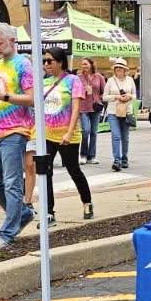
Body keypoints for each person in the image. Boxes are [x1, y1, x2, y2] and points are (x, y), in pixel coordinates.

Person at [0, 23, 35, 251]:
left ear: (13, 41)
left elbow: (31, 98)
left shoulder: (24, 64)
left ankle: (7, 233)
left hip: (15, 130)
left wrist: (4, 95)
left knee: (12, 182)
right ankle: (22, 214)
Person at [40, 48, 94, 222]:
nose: (46, 64)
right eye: (44, 61)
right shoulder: (45, 82)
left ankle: (87, 202)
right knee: (46, 172)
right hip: (47, 135)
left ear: (61, 62)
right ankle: (49, 212)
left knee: (73, 170)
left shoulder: (73, 80)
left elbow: (76, 108)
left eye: (50, 61)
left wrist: (70, 132)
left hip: (67, 135)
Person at [103, 58, 135, 171]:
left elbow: (135, 95)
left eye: (120, 68)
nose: (118, 70)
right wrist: (116, 97)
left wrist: (129, 96)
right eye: (116, 68)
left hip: (126, 111)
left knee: (125, 137)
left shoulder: (130, 80)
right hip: (113, 112)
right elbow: (104, 97)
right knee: (116, 136)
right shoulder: (111, 81)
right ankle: (117, 160)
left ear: (125, 69)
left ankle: (124, 158)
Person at [78, 56, 106, 164]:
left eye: (85, 64)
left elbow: (103, 92)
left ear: (91, 64)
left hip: (96, 107)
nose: (83, 66)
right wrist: (84, 91)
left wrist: (99, 98)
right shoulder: (79, 77)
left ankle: (92, 156)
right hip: (83, 107)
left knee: (94, 132)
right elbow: (75, 92)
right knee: (85, 131)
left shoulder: (99, 77)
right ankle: (83, 154)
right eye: (82, 64)